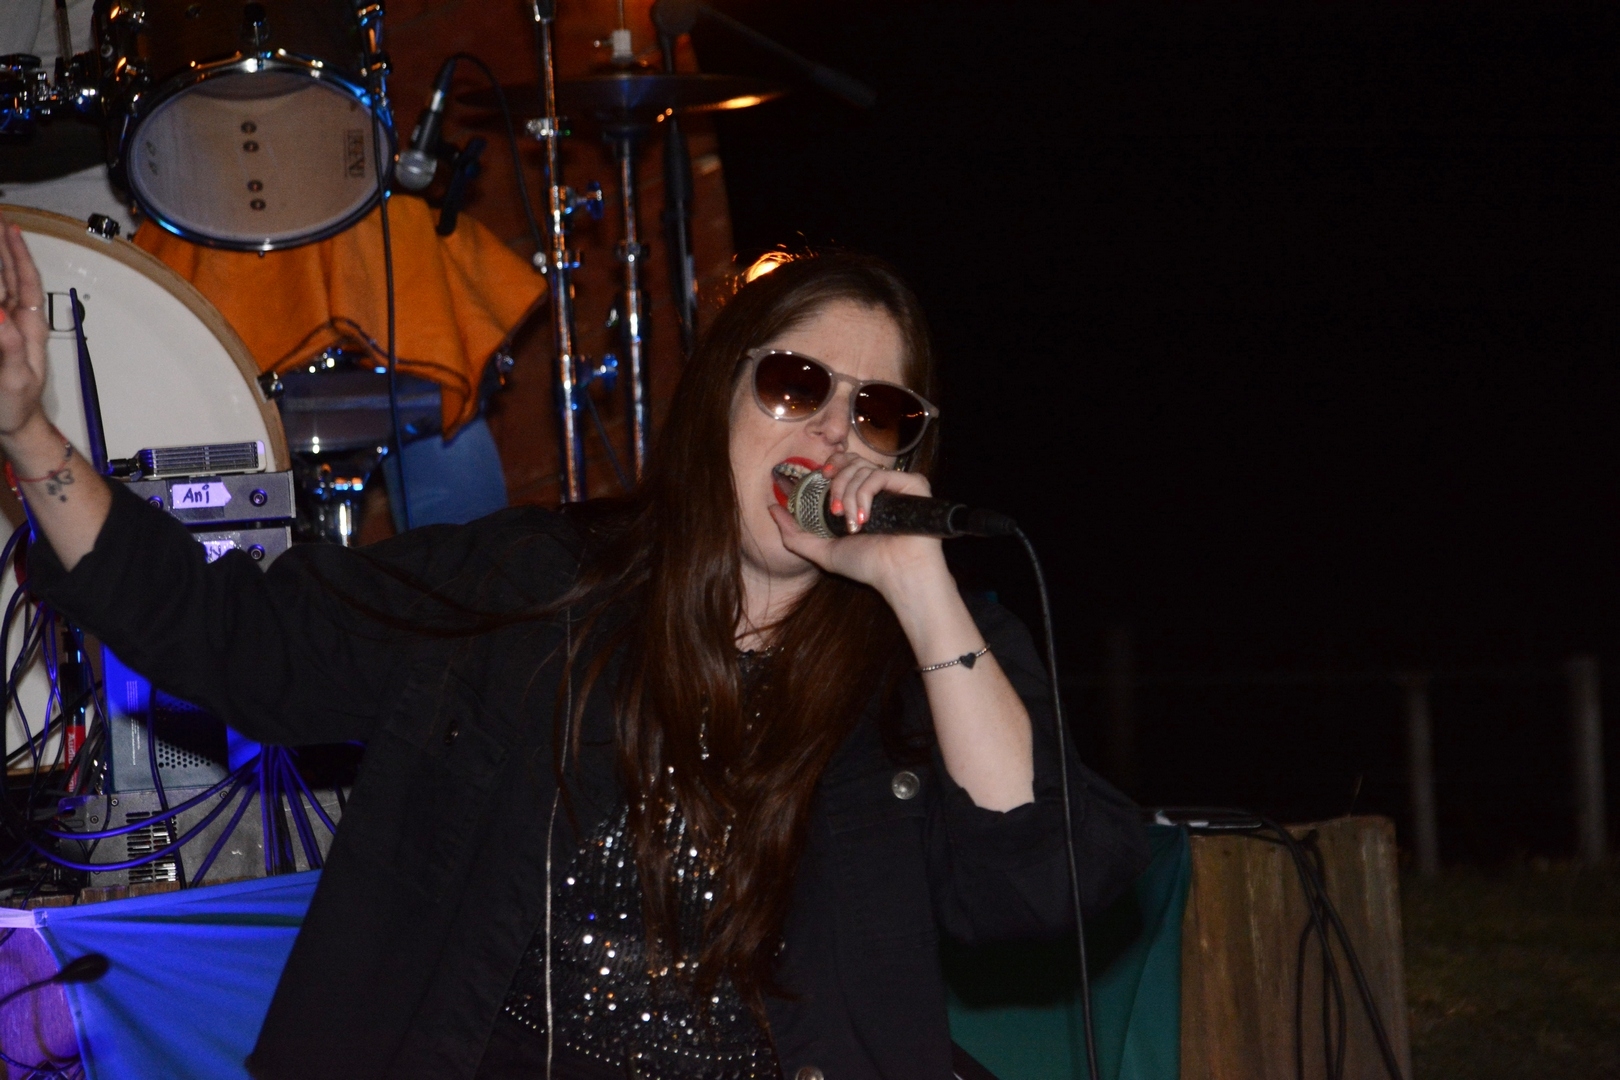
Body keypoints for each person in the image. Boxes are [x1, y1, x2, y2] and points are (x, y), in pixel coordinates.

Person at [0, 213, 1149, 1080]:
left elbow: (1040, 884)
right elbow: (236, 641)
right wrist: (27, 430)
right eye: (797, 385)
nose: (833, 433)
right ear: (722, 397)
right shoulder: (532, 586)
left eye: (878, 413)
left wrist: (920, 587)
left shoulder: (923, 660)